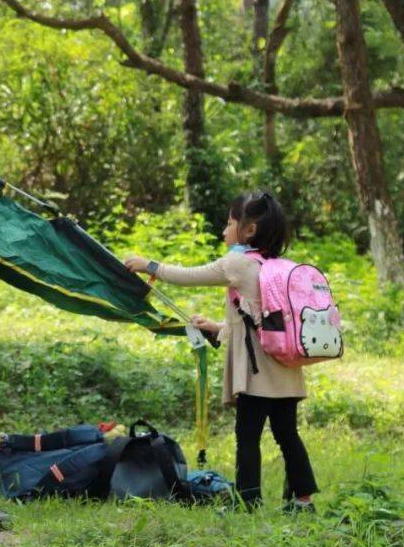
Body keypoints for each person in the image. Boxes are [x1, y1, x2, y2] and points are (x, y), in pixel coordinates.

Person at [124, 192, 318, 512]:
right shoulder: (275, 265)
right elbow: (257, 322)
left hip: (257, 376)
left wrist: (150, 266)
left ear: (249, 230)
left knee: (247, 437)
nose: (224, 230)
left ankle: (248, 501)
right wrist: (216, 327)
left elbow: (190, 276)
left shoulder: (238, 262)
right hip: (286, 369)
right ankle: (303, 500)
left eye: (229, 223)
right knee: (288, 436)